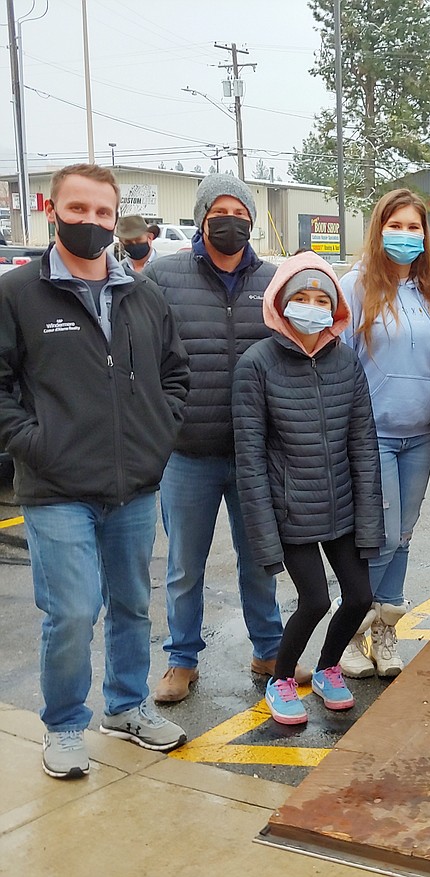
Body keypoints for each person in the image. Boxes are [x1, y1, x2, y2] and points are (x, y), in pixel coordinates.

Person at [0, 164, 190, 778]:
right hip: (56, 488)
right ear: (51, 211)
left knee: (133, 603)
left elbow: (176, 377)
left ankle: (127, 707)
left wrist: (159, 435)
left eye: (102, 213)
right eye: (77, 210)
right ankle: (62, 725)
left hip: (133, 485)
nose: (90, 223)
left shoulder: (143, 294)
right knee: (74, 611)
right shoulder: (19, 294)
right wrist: (35, 444)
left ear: (116, 219)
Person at [146, 174, 305, 704]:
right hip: (187, 452)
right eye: (220, 211)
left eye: (240, 211)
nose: (231, 220)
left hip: (254, 452)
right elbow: (142, 355)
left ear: (252, 221)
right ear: (201, 217)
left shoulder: (275, 278)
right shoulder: (164, 277)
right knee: (184, 566)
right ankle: (181, 660)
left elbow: (296, 350)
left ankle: (269, 649)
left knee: (260, 558)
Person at [234, 252, 382, 725]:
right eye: (301, 296)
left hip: (341, 506)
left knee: (359, 596)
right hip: (289, 510)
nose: (312, 306)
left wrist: (370, 520)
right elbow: (250, 458)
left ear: (335, 306)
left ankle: (327, 670)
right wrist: (264, 536)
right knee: (315, 599)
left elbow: (363, 443)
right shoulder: (256, 364)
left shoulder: (346, 362)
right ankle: (281, 679)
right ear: (280, 302)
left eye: (322, 297)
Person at [339, 189, 430, 678]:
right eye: (395, 226)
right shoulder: (355, 287)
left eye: (414, 227)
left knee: (402, 535)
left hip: (418, 436)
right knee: (377, 538)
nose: (405, 236)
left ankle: (387, 628)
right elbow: (337, 365)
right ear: (379, 230)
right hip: (371, 435)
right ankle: (351, 633)